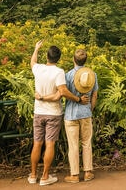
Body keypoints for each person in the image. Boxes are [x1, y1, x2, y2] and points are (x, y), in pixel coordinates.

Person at [29, 40, 88, 186]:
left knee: (37, 143)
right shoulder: (59, 72)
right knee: (49, 144)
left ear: (47, 57)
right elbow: (62, 92)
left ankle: (33, 175)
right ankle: (45, 177)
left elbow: (32, 61)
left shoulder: (38, 68)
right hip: (53, 113)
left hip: (38, 111)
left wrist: (36, 49)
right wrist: (78, 99)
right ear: (58, 58)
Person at [62, 49, 98, 183]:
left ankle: (75, 175)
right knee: (86, 142)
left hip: (71, 115)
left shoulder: (68, 75)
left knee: (73, 145)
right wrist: (90, 109)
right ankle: (88, 172)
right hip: (86, 114)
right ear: (85, 61)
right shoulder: (92, 75)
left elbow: (63, 92)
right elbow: (94, 95)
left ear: (73, 60)